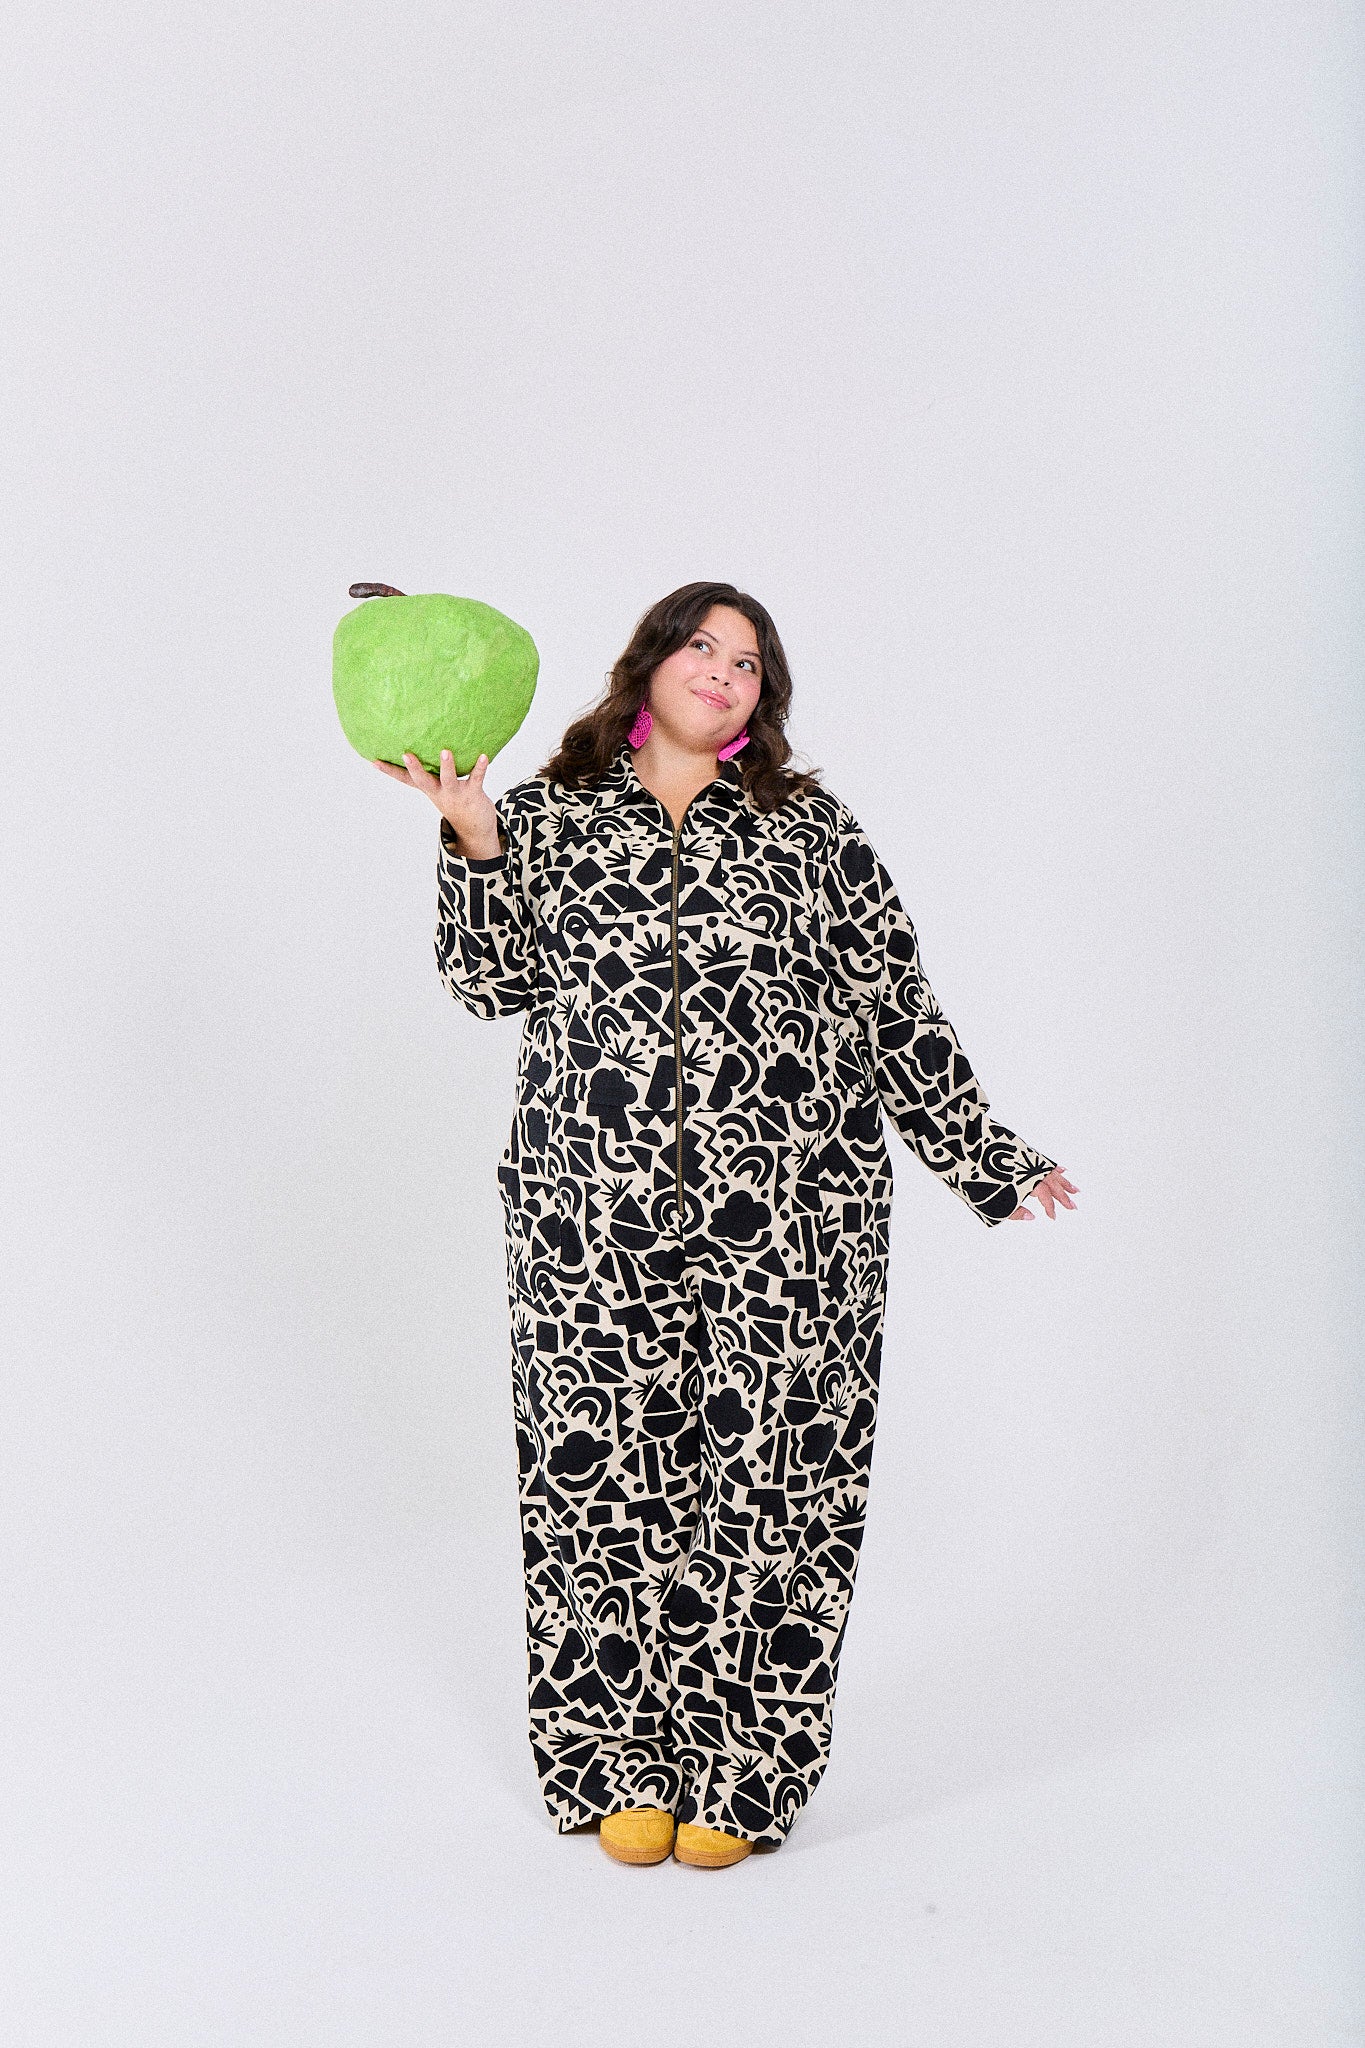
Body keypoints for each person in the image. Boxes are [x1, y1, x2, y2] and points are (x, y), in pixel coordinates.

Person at [376, 580, 1077, 1871]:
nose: (721, 670)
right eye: (700, 646)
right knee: (599, 1487)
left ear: (764, 696)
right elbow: (490, 984)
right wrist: (472, 836)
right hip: (589, 1219)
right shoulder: (551, 815)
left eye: (747, 661)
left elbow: (893, 1008)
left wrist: (987, 1155)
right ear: (648, 665)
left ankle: (745, 1771)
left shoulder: (808, 829)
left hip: (798, 1224)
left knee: (778, 1491)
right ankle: (614, 1762)